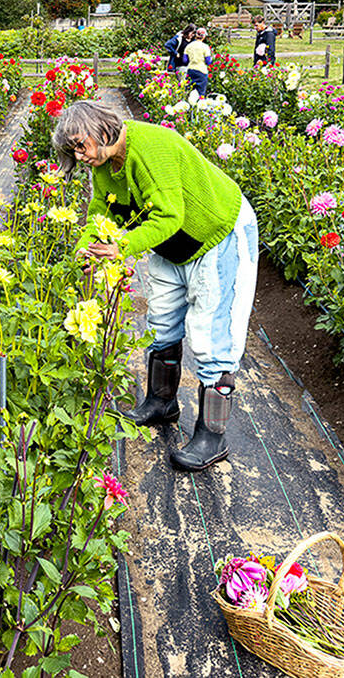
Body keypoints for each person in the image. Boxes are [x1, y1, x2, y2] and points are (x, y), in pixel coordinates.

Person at [53, 100, 259, 471]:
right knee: (161, 322)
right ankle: (162, 401)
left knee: (211, 338)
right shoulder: (103, 166)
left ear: (101, 129)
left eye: (80, 145)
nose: (79, 156)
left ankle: (213, 436)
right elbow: (100, 209)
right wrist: (85, 246)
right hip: (172, 242)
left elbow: (169, 214)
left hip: (217, 234)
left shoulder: (151, 147)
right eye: (72, 151)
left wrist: (123, 247)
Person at [181, 27, 213, 96]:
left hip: (190, 70)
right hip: (201, 71)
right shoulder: (205, 47)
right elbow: (208, 61)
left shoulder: (189, 46)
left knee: (189, 92)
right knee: (201, 93)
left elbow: (185, 60)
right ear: (203, 36)